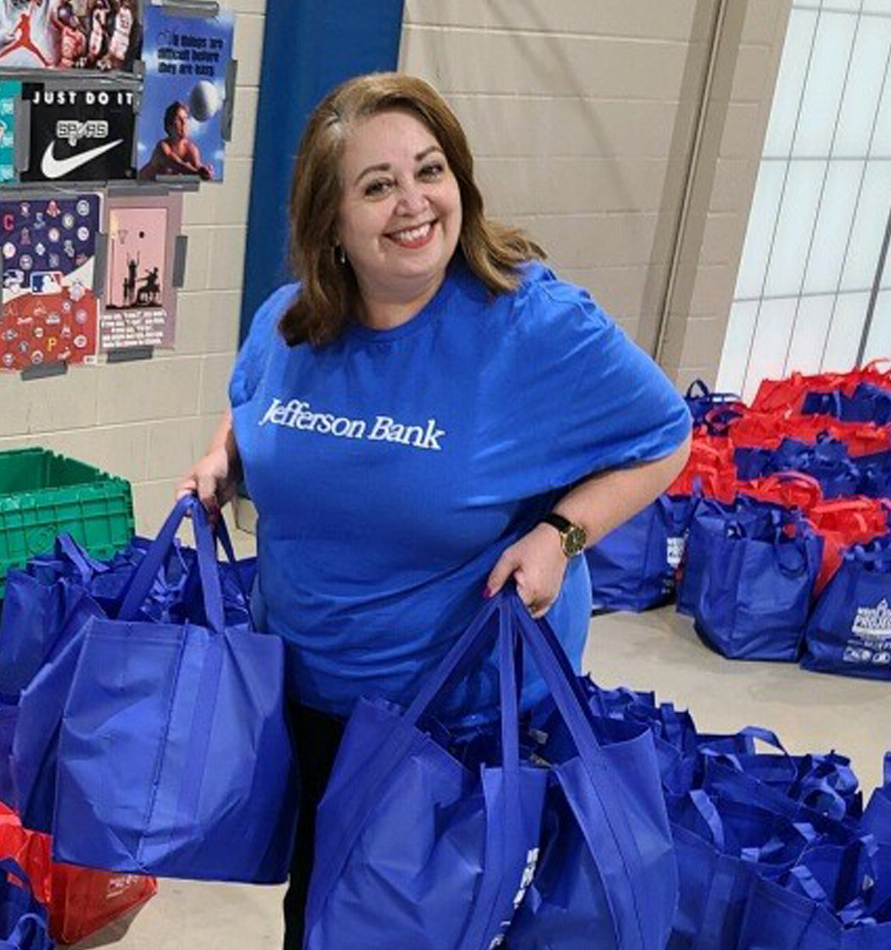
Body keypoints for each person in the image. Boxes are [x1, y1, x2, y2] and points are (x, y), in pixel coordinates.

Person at [176, 73, 691, 950]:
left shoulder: (531, 325)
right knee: (322, 919)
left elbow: (664, 434)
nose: (414, 204)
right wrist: (227, 455)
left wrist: (561, 534)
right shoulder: (292, 323)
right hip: (306, 700)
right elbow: (253, 405)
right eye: (377, 186)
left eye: (431, 170)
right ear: (328, 219)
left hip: (449, 724)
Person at [137, 102, 214, 180]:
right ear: (169, 126)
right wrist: (198, 173)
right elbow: (177, 165)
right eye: (178, 119)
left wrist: (206, 171)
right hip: (139, 187)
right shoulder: (162, 147)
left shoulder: (191, 148)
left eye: (185, 118)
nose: (184, 123)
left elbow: (198, 166)